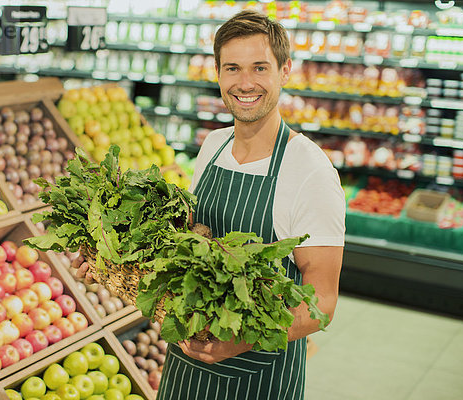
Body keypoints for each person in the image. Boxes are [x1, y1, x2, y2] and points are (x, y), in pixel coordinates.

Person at [73, 9, 346, 399]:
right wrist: (108, 260)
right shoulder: (213, 147)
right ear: (217, 73)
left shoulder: (309, 171)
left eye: (259, 68)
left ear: (285, 71)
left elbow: (323, 301)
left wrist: (243, 339)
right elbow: (188, 253)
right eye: (232, 68)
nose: (245, 83)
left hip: (259, 377)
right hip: (184, 366)